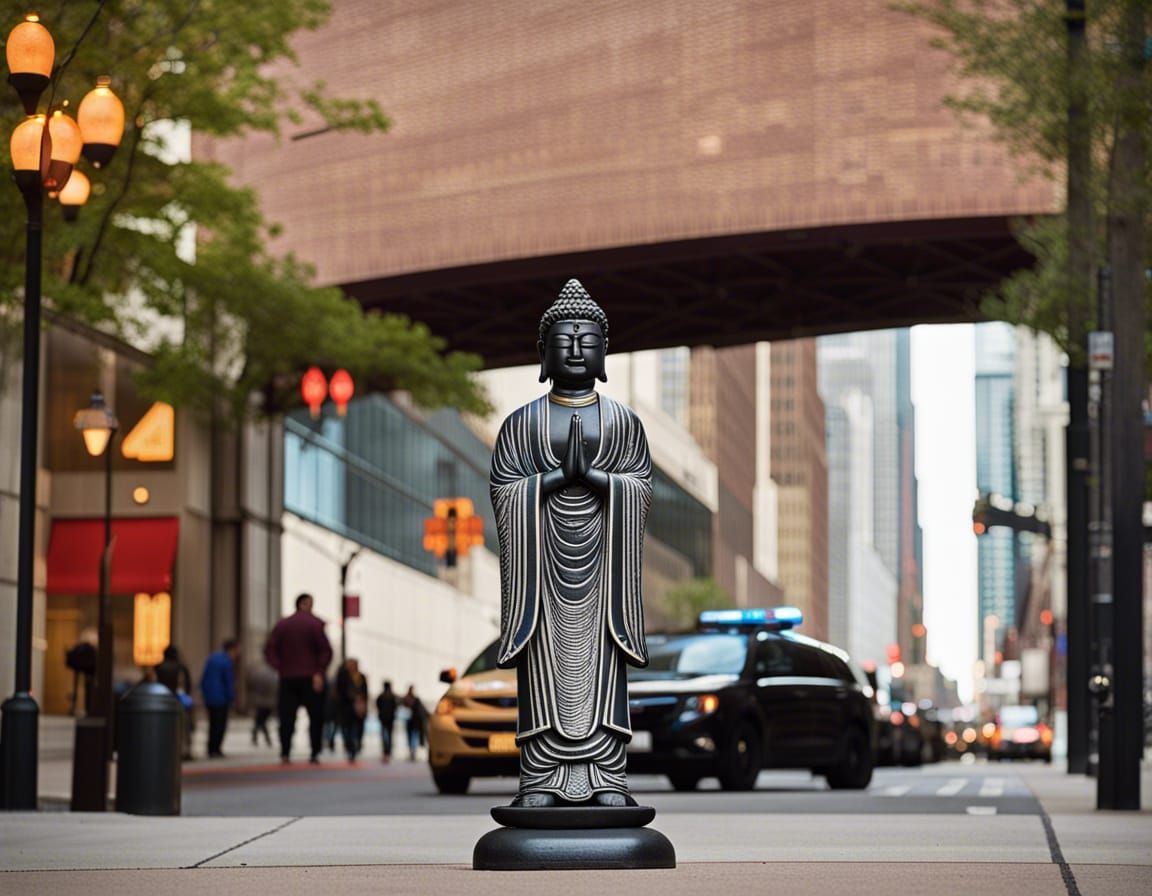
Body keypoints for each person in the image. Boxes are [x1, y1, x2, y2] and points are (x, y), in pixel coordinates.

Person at [490, 280, 652, 808]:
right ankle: (539, 778)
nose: (578, 349)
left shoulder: (625, 424)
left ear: (605, 352)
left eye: (589, 340)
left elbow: (640, 489)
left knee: (605, 671)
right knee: (541, 670)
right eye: (566, 339)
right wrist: (556, 479)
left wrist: (604, 482)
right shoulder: (520, 425)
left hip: (606, 577)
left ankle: (606, 776)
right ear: (543, 353)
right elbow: (504, 490)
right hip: (541, 576)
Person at [265, 592, 333, 764]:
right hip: (311, 676)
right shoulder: (315, 624)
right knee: (315, 716)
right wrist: (319, 671)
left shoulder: (283, 625)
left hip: (288, 676)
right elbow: (325, 651)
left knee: (287, 716)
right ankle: (314, 751)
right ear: (304, 604)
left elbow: (270, 649)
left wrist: (280, 667)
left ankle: (285, 751)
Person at [200, 638, 240, 759]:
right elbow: (228, 681)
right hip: (221, 697)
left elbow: (204, 678)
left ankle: (211, 748)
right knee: (220, 724)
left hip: (210, 696)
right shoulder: (226, 662)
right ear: (231, 649)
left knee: (213, 723)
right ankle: (216, 749)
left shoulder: (212, 659)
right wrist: (231, 697)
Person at [154, 644, 195, 760]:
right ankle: (183, 750)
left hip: (161, 701)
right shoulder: (181, 667)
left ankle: (164, 749)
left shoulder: (158, 667)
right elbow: (187, 686)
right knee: (183, 728)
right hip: (178, 701)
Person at [335, 658, 369, 763]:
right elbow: (340, 691)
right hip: (346, 708)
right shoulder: (343, 676)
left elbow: (365, 691)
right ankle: (350, 748)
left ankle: (355, 746)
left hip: (359, 708)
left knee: (357, 728)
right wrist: (352, 697)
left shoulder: (361, 676)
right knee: (347, 729)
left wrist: (362, 701)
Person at [246, 659, 278, 748]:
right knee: (261, 721)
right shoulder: (274, 674)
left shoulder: (258, 673)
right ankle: (264, 738)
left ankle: (257, 737)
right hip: (270, 701)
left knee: (260, 721)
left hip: (259, 700)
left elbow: (251, 685)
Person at [402, 685, 427, 761]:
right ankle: (413, 753)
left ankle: (411, 753)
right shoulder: (416, 699)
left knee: (410, 738)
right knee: (414, 738)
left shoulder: (405, 699)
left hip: (409, 722)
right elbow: (422, 710)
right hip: (415, 722)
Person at [376, 680, 398, 763]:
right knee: (389, 735)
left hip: (383, 718)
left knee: (384, 735)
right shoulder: (392, 696)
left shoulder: (381, 696)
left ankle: (386, 750)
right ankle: (388, 750)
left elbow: (378, 706)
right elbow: (395, 707)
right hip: (390, 719)